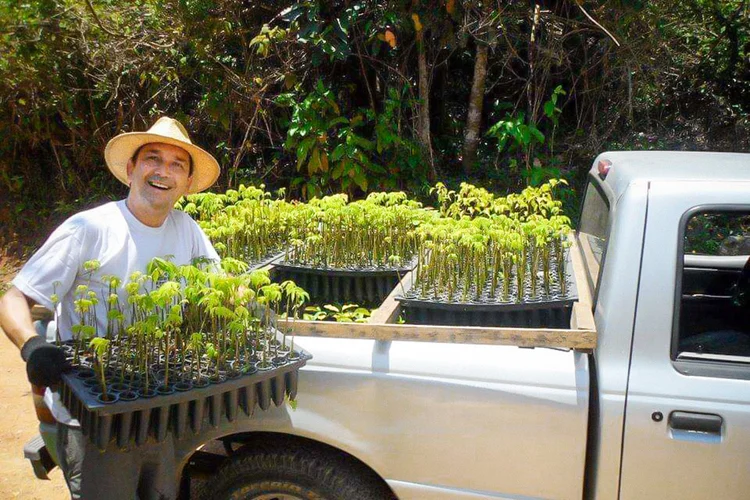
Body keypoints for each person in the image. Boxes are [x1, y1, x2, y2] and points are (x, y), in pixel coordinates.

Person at [0, 116, 221, 499]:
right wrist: (32, 346)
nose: (163, 171)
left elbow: (221, 291)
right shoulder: (90, 229)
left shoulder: (187, 229)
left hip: (160, 406)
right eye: (153, 158)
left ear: (186, 183)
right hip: (96, 414)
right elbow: (15, 299)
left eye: (177, 164)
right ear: (131, 168)